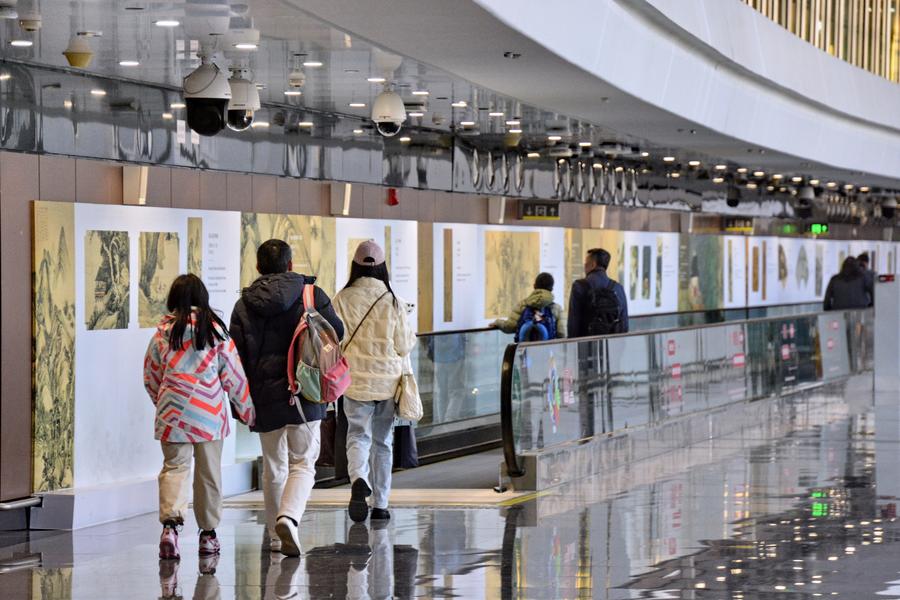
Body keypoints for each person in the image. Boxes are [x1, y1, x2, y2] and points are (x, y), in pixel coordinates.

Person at [230, 240, 344, 556]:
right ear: (290, 265)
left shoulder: (243, 305)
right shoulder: (311, 295)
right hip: (306, 391)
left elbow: (236, 355)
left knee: (273, 466)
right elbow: (336, 333)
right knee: (303, 463)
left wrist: (241, 403)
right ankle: (289, 518)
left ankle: (275, 536)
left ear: (258, 267)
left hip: (264, 397)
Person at [144, 274, 255, 561]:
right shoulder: (215, 332)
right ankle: (208, 535)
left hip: (172, 413)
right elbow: (233, 375)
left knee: (174, 469)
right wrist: (247, 410)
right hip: (209, 414)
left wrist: (163, 402)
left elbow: (151, 375)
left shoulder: (163, 333)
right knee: (209, 473)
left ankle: (170, 528)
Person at [333, 240, 416, 523]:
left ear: (355, 266)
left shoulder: (342, 299)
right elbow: (404, 345)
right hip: (387, 382)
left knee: (358, 435)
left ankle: (358, 478)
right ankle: (381, 504)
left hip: (354, 381)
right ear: (382, 267)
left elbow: (336, 341)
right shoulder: (393, 300)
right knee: (383, 442)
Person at [567, 248, 629, 337]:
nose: (584, 267)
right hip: (612, 342)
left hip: (586, 342)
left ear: (593, 264)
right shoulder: (618, 288)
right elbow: (624, 323)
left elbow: (573, 323)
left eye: (586, 264)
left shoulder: (579, 286)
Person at [491, 272, 567, 340]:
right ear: (552, 289)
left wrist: (497, 322)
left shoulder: (522, 305)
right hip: (547, 349)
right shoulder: (557, 308)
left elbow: (510, 327)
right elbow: (562, 333)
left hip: (525, 349)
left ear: (534, 286)